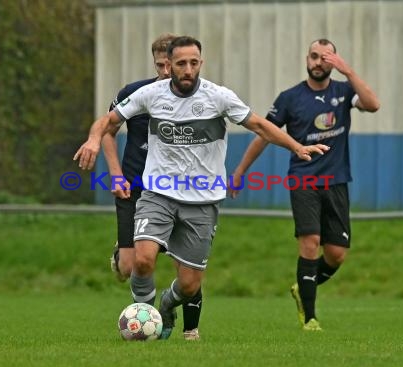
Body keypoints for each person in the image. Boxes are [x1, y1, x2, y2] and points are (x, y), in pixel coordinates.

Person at [74, 36, 329, 340]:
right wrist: (93, 139)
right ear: (170, 64)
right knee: (142, 259)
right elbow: (108, 121)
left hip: (202, 201)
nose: (187, 69)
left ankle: (167, 306)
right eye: (181, 63)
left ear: (200, 63)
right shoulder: (150, 94)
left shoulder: (218, 97)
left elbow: (259, 125)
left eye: (193, 63)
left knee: (190, 285)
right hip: (158, 193)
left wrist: (297, 147)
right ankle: (144, 320)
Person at [229, 38, 380, 331]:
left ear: (334, 61)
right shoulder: (290, 98)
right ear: (306, 60)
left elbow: (373, 105)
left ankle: (303, 286)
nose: (318, 62)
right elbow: (264, 134)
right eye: (314, 56)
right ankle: (310, 318)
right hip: (304, 180)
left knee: (336, 254)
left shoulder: (344, 91)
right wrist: (240, 171)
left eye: (326, 57)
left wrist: (349, 72)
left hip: (336, 182)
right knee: (310, 243)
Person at [102, 34, 203, 341]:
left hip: (175, 191)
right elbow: (108, 130)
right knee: (130, 265)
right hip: (133, 188)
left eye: (167, 65)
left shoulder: (194, 97)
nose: (164, 71)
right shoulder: (135, 94)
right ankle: (124, 260)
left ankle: (190, 329)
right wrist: (116, 173)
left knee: (186, 265)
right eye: (160, 65)